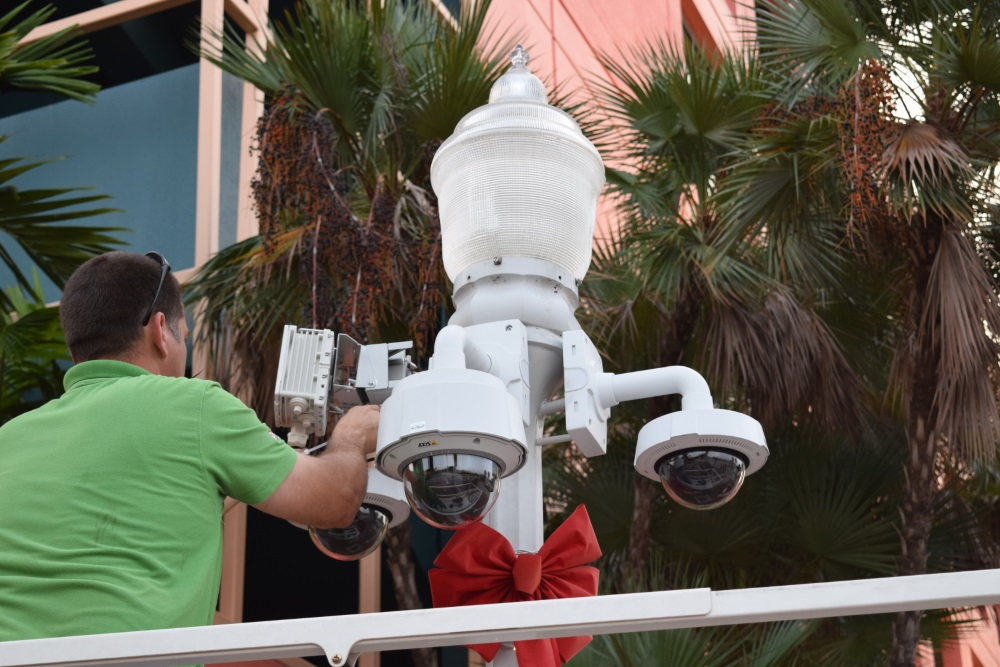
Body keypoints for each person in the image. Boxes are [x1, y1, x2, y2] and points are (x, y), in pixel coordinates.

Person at [0, 251, 379, 641]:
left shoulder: (9, 436)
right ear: (161, 330)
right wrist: (353, 433)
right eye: (185, 331)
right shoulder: (194, 405)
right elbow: (334, 500)